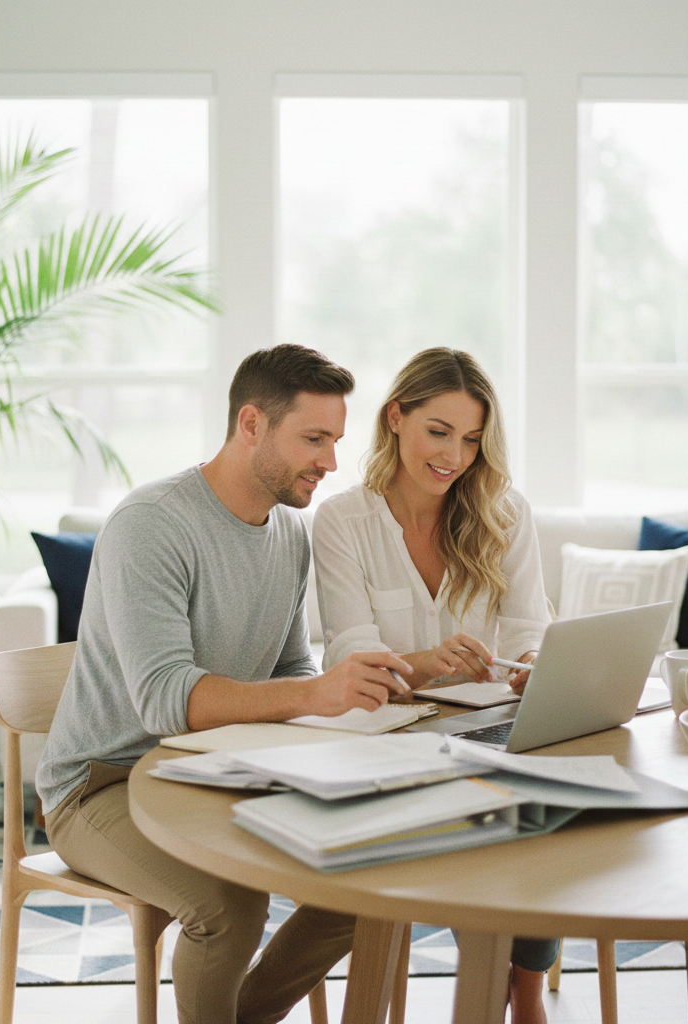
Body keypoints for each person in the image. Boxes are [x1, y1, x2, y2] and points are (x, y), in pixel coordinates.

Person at [36, 344, 412, 1024]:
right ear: (250, 425)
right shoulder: (152, 524)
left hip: (214, 770)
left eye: (334, 440)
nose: (330, 461)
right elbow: (164, 699)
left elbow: (291, 669)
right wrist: (314, 695)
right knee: (228, 909)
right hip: (101, 783)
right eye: (313, 438)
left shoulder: (290, 536)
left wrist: (353, 705)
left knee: (370, 876)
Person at [311, 347, 556, 1024]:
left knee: (543, 801)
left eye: (473, 439)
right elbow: (354, 654)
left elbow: (530, 625)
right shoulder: (342, 521)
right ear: (396, 418)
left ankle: (523, 989)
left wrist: (534, 659)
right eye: (438, 432)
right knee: (484, 823)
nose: (455, 456)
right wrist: (424, 663)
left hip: (488, 731)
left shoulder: (504, 513)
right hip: (388, 741)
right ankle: (492, 980)